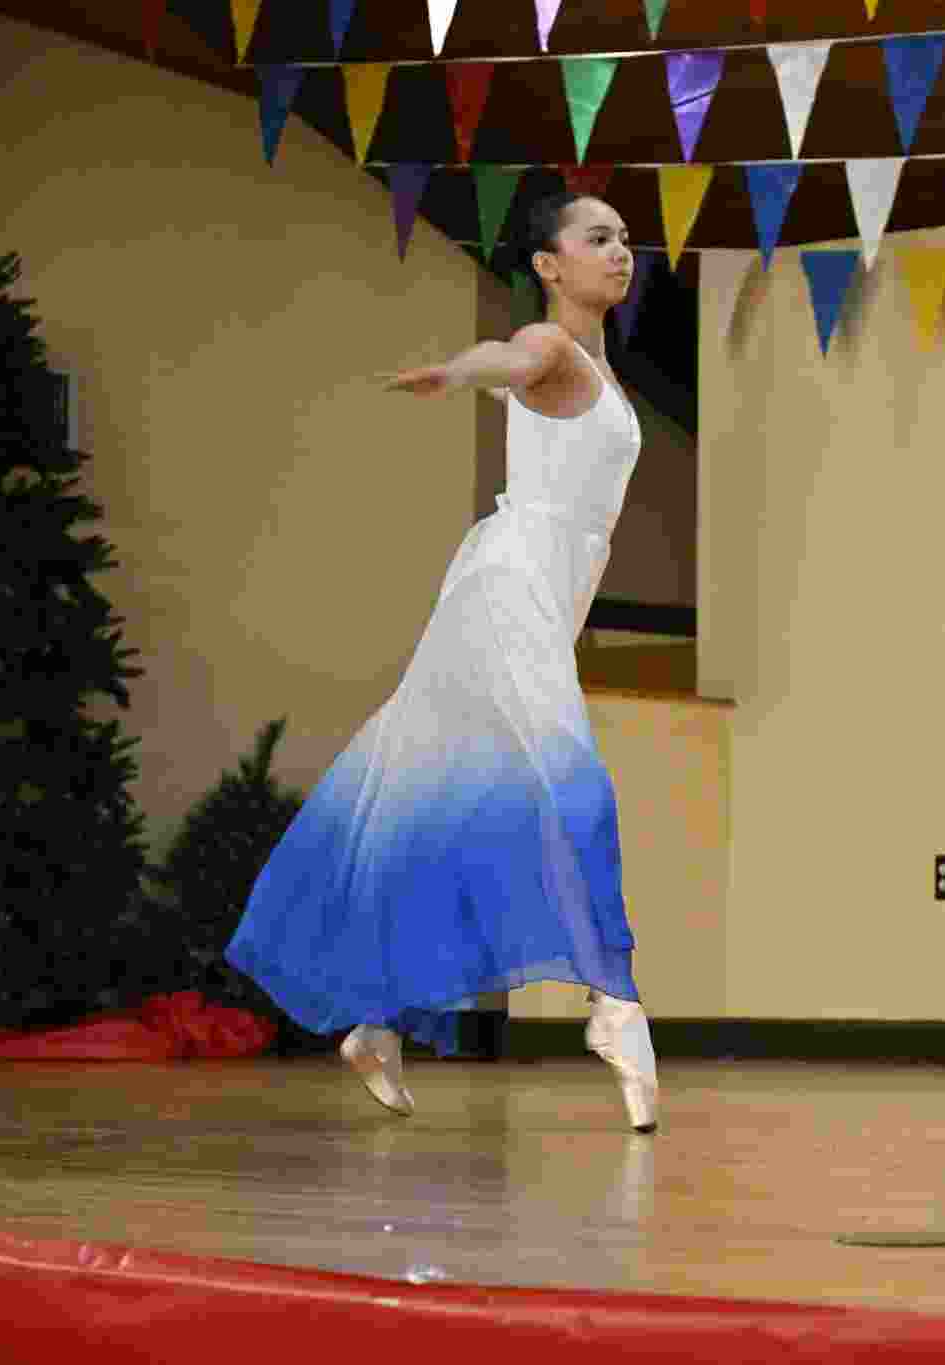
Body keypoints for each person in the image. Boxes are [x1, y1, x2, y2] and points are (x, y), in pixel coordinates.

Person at [225, 191, 660, 1134]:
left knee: (457, 811)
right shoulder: (551, 346)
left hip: (534, 601)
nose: (621, 251)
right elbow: (510, 358)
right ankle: (615, 1003)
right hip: (507, 588)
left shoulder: (599, 369)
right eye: (597, 238)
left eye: (626, 238)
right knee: (574, 787)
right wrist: (461, 371)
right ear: (548, 265)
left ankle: (377, 1024)